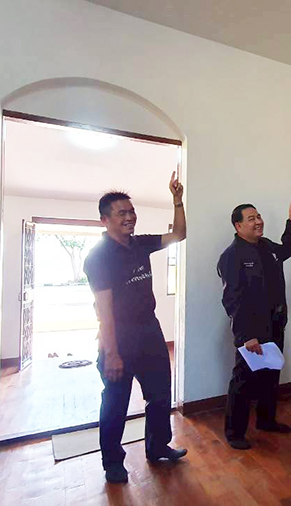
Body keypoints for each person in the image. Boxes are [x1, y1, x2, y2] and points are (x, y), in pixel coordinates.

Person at [83, 172, 187, 484]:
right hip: (119, 336)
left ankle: (158, 447)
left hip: (149, 331)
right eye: (121, 213)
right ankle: (113, 463)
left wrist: (177, 200)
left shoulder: (140, 244)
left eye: (131, 211)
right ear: (105, 220)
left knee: (160, 394)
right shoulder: (99, 257)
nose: (129, 217)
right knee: (116, 403)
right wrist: (112, 354)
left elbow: (179, 234)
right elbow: (105, 312)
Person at [217, 199, 291, 450]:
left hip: (275, 322)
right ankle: (234, 433)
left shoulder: (265, 246)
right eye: (251, 219)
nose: (258, 222)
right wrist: (247, 336)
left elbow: (285, 250)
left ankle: (266, 420)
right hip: (252, 329)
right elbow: (232, 300)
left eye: (259, 216)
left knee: (271, 373)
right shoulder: (231, 256)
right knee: (243, 381)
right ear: (238, 226)